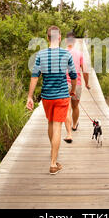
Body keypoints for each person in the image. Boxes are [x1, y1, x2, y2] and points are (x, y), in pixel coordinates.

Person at [26, 26, 77, 175]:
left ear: (47, 38)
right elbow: (73, 75)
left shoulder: (41, 55)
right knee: (57, 128)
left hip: (47, 97)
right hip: (61, 96)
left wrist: (29, 96)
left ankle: (53, 151)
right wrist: (72, 90)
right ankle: (53, 163)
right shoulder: (65, 54)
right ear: (60, 37)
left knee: (50, 123)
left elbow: (35, 76)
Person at [63, 32, 90, 143]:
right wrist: (87, 83)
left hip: (64, 84)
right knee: (75, 106)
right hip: (77, 84)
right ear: (74, 42)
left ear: (65, 41)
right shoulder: (79, 54)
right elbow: (85, 70)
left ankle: (68, 133)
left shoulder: (62, 53)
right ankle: (74, 125)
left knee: (67, 108)